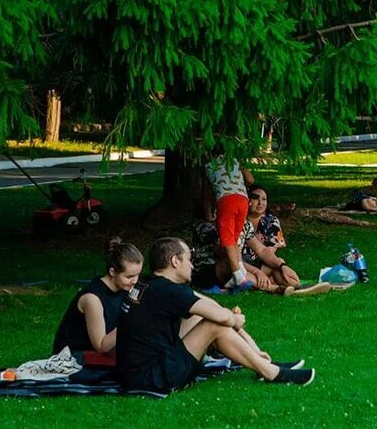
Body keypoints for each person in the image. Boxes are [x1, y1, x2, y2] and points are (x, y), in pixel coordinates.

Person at [118, 237, 313, 391]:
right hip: (151, 378)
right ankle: (272, 373)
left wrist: (249, 343)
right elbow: (221, 318)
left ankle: (261, 363)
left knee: (207, 316)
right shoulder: (170, 292)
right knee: (214, 324)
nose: (192, 265)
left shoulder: (151, 283)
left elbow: (209, 304)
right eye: (189, 259)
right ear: (175, 261)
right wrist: (235, 319)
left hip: (136, 374)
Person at [51, 238, 143, 360]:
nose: (135, 281)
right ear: (112, 272)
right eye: (129, 276)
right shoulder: (92, 299)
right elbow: (101, 346)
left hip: (104, 353)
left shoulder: (124, 288)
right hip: (74, 358)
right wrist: (131, 321)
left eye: (138, 274)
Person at [239, 186, 301, 293]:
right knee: (235, 269)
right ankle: (273, 287)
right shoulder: (239, 222)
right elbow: (234, 259)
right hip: (241, 265)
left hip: (261, 263)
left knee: (289, 278)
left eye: (264, 199)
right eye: (255, 198)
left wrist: (282, 265)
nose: (260, 203)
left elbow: (267, 251)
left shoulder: (270, 221)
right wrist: (257, 271)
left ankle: (287, 285)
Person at [205, 153, 252, 291]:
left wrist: (209, 214)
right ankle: (241, 271)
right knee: (234, 238)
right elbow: (250, 179)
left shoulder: (208, 164)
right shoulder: (235, 158)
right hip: (243, 200)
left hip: (226, 201)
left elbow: (207, 195)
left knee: (227, 241)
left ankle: (239, 277)